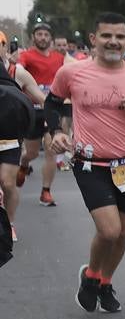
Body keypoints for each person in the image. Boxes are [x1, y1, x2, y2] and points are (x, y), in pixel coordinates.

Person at [44, 12, 125, 313]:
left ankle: (105, 281)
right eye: (107, 36)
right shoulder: (72, 72)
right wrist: (57, 131)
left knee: (123, 233)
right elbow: (53, 102)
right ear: (93, 39)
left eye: (119, 36)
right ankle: (90, 276)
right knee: (110, 230)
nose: (113, 41)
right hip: (90, 163)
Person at [16, 21, 66, 208]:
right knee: (32, 152)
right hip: (32, 110)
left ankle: (46, 191)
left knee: (51, 149)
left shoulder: (58, 58)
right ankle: (24, 164)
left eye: (46, 35)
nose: (43, 38)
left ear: (50, 38)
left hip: (51, 110)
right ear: (33, 37)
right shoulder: (27, 56)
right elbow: (19, 68)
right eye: (39, 34)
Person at [0, 46, 47, 241]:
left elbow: (41, 97)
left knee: (7, 183)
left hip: (9, 137)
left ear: (4, 47)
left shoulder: (16, 71)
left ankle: (9, 224)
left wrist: (53, 121)